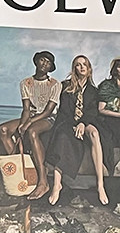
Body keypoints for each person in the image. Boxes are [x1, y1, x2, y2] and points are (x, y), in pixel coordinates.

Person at [44, 55, 109, 207]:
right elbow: (64, 110)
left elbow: (93, 112)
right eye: (78, 65)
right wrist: (74, 125)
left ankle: (100, 185)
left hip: (87, 122)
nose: (82, 67)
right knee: (62, 137)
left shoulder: (94, 91)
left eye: (84, 64)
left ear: (89, 68)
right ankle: (57, 185)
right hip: (68, 122)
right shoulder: (66, 86)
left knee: (94, 133)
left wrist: (82, 123)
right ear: (74, 68)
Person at [0, 51, 60, 200]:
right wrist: (22, 124)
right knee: (2, 130)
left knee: (32, 132)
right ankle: (19, 172)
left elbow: (48, 111)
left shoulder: (55, 84)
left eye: (48, 62)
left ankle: (43, 181)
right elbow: (26, 109)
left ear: (50, 67)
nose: (44, 64)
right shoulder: (26, 83)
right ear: (36, 61)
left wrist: (28, 123)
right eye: (42, 60)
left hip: (48, 118)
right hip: (31, 116)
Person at [96, 57, 120, 211]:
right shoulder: (107, 86)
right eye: (119, 66)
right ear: (115, 69)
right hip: (109, 121)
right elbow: (101, 109)